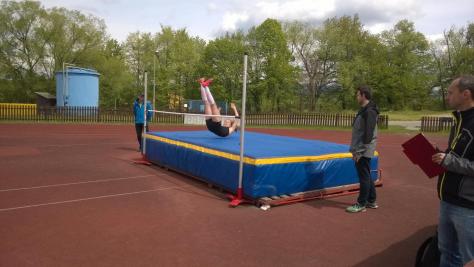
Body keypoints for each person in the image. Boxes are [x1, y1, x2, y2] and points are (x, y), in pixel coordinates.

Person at [431, 75, 474, 267]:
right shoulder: (458, 119)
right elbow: (456, 155)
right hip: (447, 198)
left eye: (450, 93)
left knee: (468, 258)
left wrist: (449, 160)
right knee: (446, 252)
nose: (447, 96)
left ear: (466, 94)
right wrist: (441, 155)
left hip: (468, 206)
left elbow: (458, 162)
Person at [346, 85, 380, 213]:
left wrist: (359, 152)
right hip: (361, 149)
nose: (356, 96)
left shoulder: (369, 111)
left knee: (363, 177)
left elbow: (368, 134)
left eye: (358, 94)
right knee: (366, 174)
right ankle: (371, 200)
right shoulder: (365, 109)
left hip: (364, 150)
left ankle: (361, 203)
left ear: (363, 95)